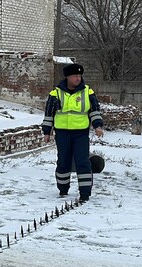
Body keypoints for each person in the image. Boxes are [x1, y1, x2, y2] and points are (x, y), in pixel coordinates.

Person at [41, 63, 104, 201]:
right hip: (62, 133)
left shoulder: (88, 92)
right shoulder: (56, 93)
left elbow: (94, 111)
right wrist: (47, 132)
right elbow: (49, 114)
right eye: (75, 76)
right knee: (63, 161)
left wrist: (98, 126)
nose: (78, 78)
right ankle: (63, 189)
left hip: (80, 133)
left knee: (83, 161)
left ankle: (85, 193)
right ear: (68, 77)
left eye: (80, 76)